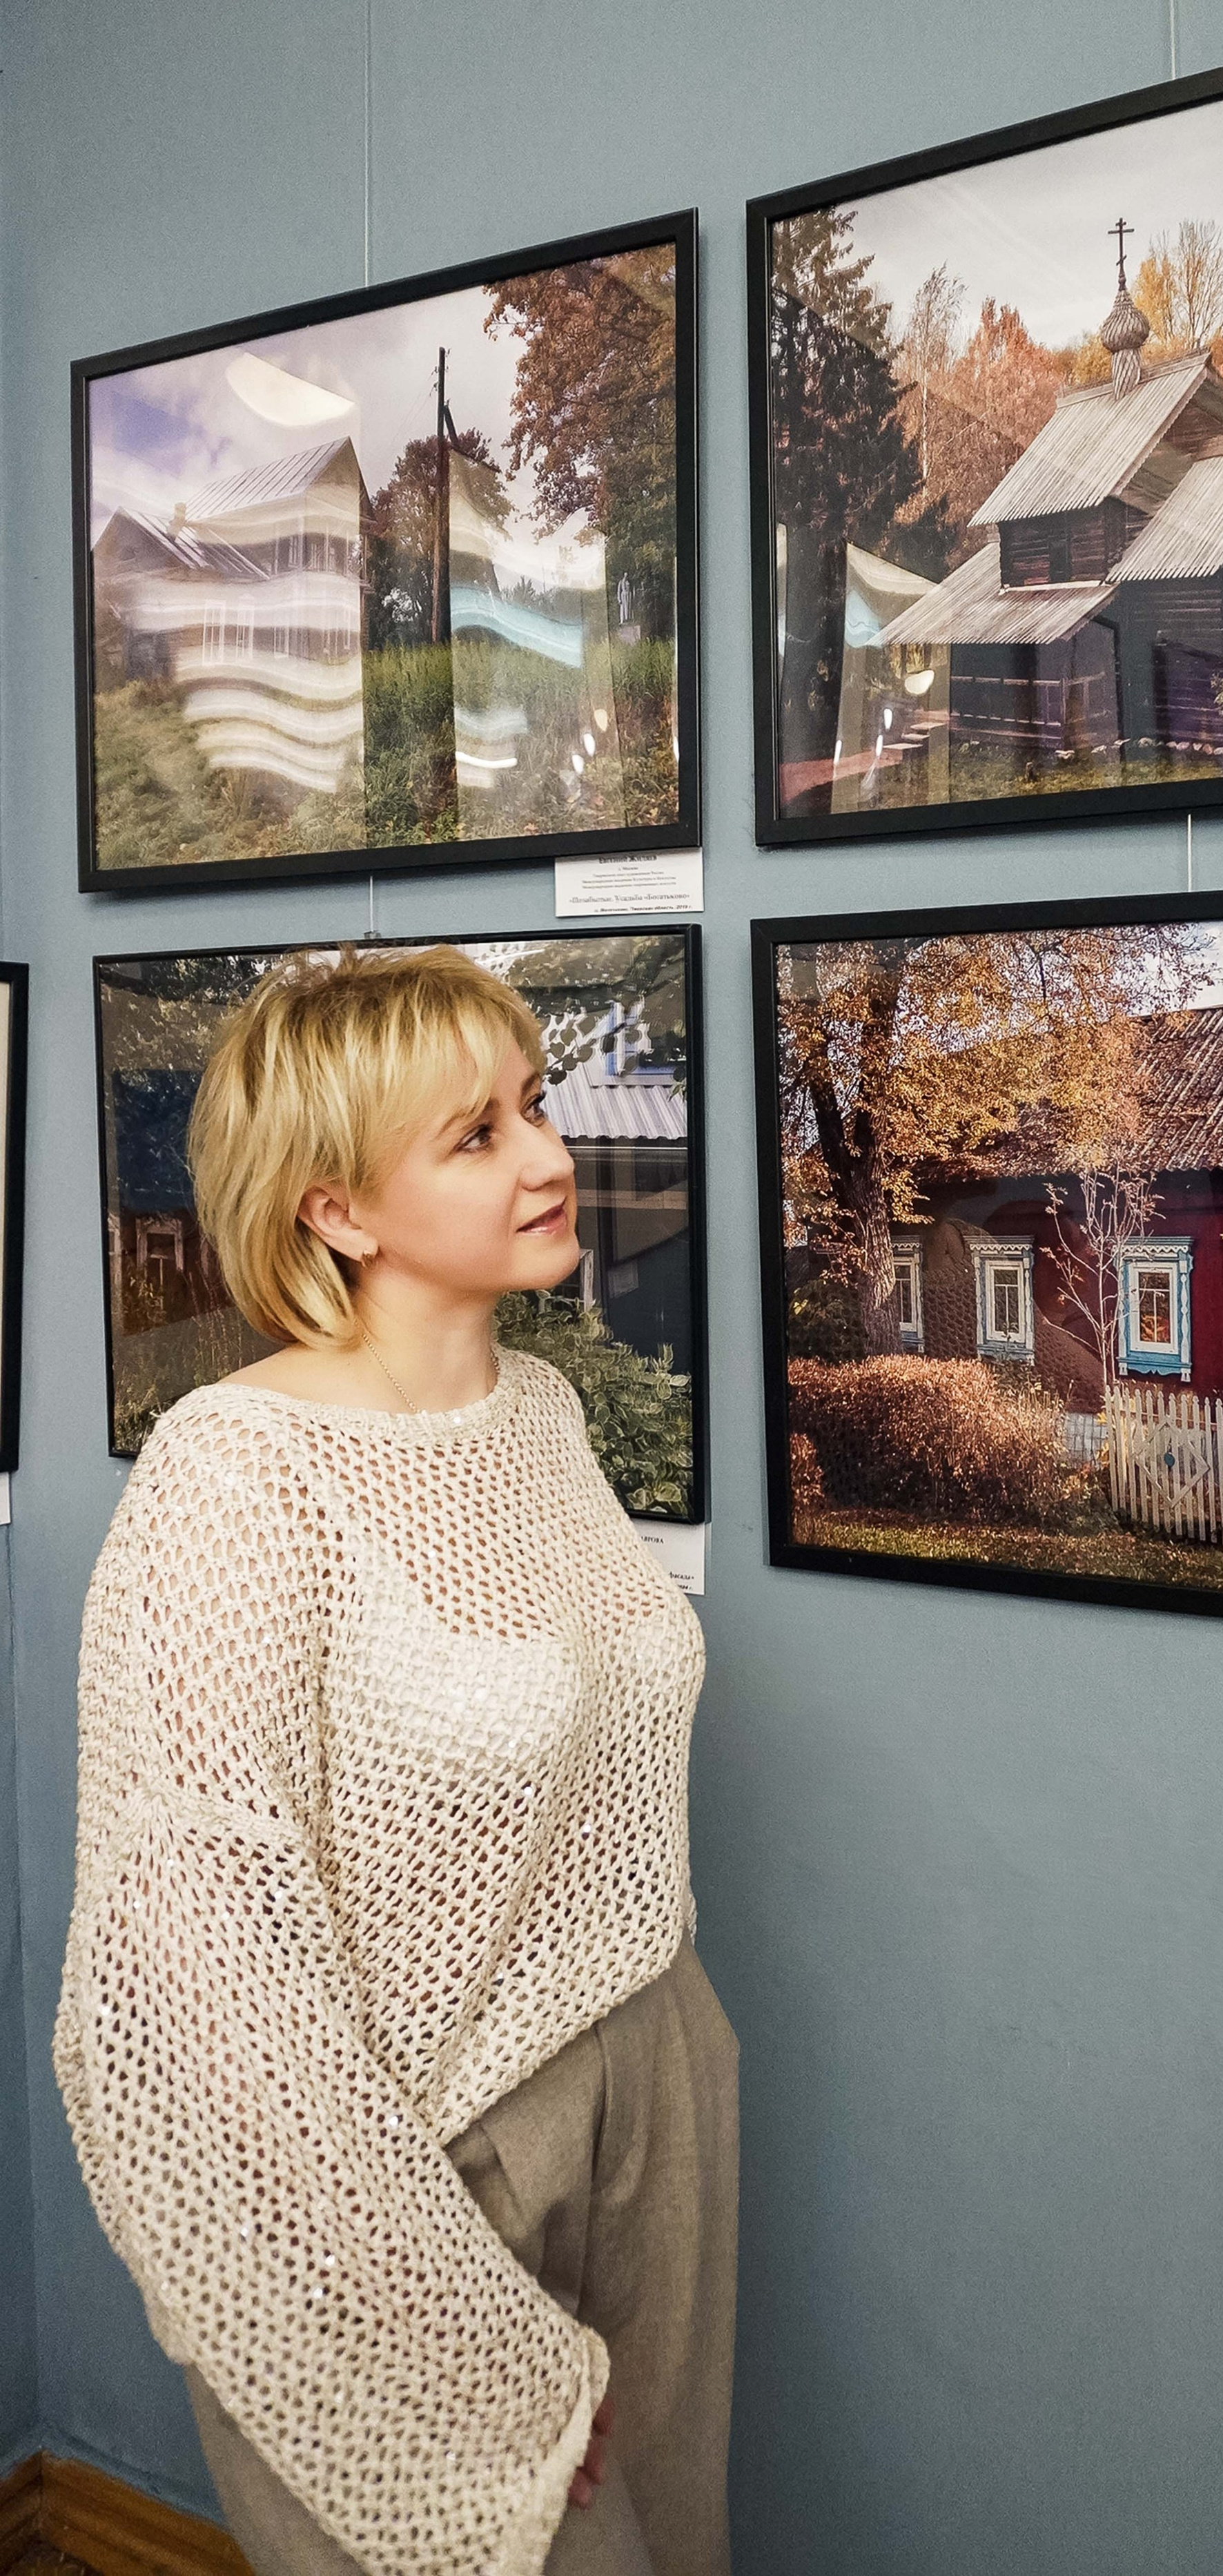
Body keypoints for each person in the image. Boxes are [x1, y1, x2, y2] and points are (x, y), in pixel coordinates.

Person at [54, 946, 736, 2576]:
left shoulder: (544, 1417)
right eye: (474, 1134)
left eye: (532, 1107)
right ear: (336, 1211)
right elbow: (195, 1984)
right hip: (401, 2171)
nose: (548, 1154)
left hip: (652, 2074)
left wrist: (665, 2081)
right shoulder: (237, 1479)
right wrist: (438, 2337)